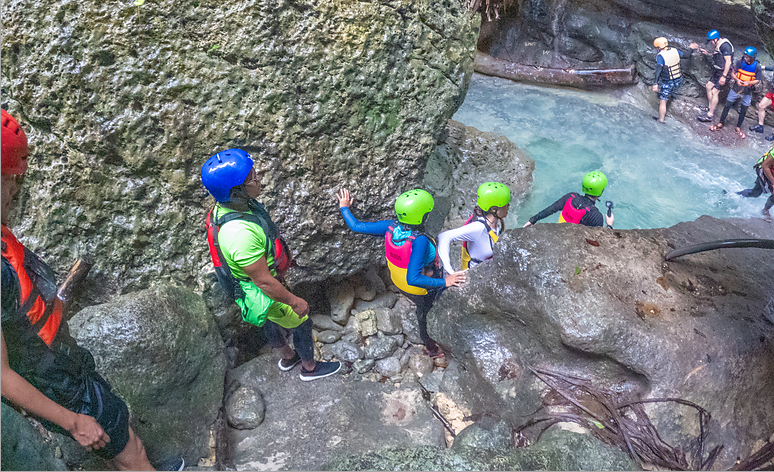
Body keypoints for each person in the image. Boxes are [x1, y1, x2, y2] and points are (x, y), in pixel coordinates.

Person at [1, 109, 184, 471]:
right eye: (10, 182)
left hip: (57, 364)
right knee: (131, 450)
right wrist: (74, 421)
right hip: (59, 383)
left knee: (115, 444)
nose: (15, 192)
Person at [202, 149, 340, 382]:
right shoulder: (239, 234)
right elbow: (263, 281)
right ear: (236, 191)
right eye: (252, 177)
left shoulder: (228, 208)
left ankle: (288, 357)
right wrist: (295, 301)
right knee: (302, 320)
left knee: (269, 318)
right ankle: (309, 368)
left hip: (259, 288)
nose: (258, 179)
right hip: (262, 289)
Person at [337, 188, 465, 361]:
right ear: (422, 217)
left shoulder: (390, 227)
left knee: (422, 307)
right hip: (420, 288)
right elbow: (414, 278)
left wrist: (344, 208)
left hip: (398, 281)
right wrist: (445, 282)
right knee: (424, 315)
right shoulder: (419, 241)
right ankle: (432, 349)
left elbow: (356, 226)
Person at [437, 182, 511, 274]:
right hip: (476, 277)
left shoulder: (498, 221)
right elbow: (444, 236)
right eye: (505, 204)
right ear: (493, 209)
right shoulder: (478, 228)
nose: (508, 206)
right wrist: (450, 271)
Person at [523, 171, 614, 228]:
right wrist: (609, 225)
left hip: (561, 231)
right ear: (601, 192)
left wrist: (533, 220)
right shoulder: (595, 215)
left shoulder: (570, 197)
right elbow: (598, 241)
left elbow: (551, 209)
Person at [710, 46, 762, 139]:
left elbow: (757, 80)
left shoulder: (757, 67)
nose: (745, 57)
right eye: (745, 55)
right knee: (727, 105)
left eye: (747, 56)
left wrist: (749, 82)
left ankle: (738, 127)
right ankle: (721, 122)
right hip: (736, 87)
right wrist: (737, 79)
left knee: (743, 110)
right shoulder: (740, 62)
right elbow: (733, 73)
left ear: (752, 57)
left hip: (747, 90)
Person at [651, 36, 699, 123]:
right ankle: (672, 97)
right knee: (671, 90)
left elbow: (658, 71)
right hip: (678, 79)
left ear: (659, 47)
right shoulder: (674, 50)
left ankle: (661, 120)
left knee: (663, 101)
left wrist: (655, 83)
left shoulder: (660, 56)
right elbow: (686, 56)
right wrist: (691, 48)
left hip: (668, 81)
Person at [696, 29, 734, 123]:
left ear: (716, 39)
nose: (711, 43)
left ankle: (710, 115)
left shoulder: (725, 45)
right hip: (717, 71)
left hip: (724, 73)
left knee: (715, 91)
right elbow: (718, 56)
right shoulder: (719, 45)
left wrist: (724, 76)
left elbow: (728, 62)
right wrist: (707, 53)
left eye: (711, 41)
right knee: (708, 86)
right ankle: (710, 107)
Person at [749, 65, 774, 141]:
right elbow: (773, 68)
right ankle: (760, 126)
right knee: (761, 106)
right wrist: (763, 67)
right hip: (773, 92)